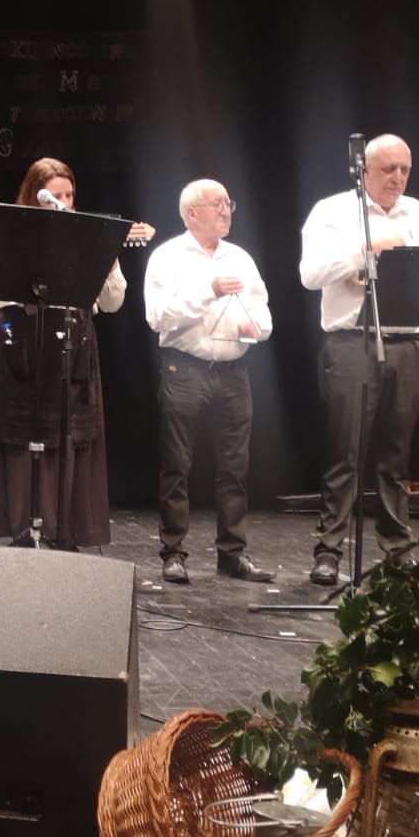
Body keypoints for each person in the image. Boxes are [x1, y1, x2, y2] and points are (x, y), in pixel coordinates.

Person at [0, 157, 150, 549]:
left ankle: (62, 528)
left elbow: (113, 303)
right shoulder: (6, 229)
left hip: (71, 338)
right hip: (18, 338)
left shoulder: (88, 236)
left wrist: (109, 257)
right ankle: (23, 525)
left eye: (69, 195)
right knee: (19, 435)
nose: (64, 202)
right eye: (55, 195)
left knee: (69, 432)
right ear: (34, 196)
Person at [299, 133, 419, 586]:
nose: (398, 177)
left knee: (396, 456)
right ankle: (329, 550)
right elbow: (310, 274)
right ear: (364, 169)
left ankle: (397, 549)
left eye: (405, 170)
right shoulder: (332, 211)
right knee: (346, 452)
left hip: (408, 343)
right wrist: (367, 248)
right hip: (352, 341)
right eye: (388, 169)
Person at [144, 179, 275, 583]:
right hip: (184, 369)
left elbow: (262, 309)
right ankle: (173, 552)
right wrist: (209, 291)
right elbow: (157, 317)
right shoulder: (167, 256)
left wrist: (256, 328)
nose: (225, 210)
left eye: (228, 203)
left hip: (233, 372)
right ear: (191, 213)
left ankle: (232, 554)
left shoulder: (240, 257)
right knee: (177, 464)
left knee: (235, 467)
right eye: (216, 204)